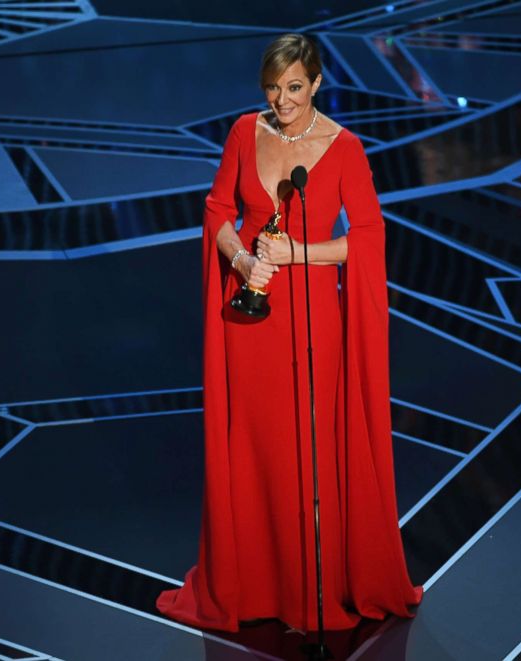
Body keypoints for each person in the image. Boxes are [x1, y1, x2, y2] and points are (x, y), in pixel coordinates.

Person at [155, 33, 423, 634]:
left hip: (310, 323)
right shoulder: (243, 133)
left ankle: (311, 590)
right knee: (255, 449)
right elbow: (218, 211)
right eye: (274, 88)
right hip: (248, 315)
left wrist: (299, 251)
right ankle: (255, 588)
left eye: (295, 88)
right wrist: (243, 261)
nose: (283, 100)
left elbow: (369, 237)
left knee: (308, 454)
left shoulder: (344, 147)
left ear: (318, 83)